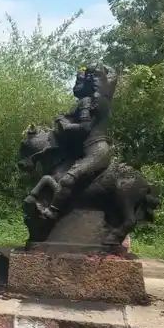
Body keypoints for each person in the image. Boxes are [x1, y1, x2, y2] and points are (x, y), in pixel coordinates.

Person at [38, 64, 117, 223]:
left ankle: (53, 212)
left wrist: (65, 125)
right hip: (90, 150)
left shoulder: (88, 102)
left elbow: (84, 127)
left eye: (94, 77)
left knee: (67, 180)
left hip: (96, 151)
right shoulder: (96, 101)